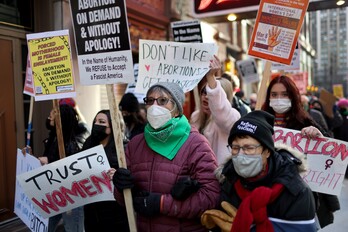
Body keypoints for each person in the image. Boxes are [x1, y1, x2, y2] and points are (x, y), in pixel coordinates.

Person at [113, 82, 220, 231]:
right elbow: (124, 201)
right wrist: (120, 188)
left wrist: (162, 204)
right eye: (150, 100)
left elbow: (211, 197)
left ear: (176, 109)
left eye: (162, 101)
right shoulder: (135, 144)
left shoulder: (196, 144)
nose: (155, 106)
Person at [201, 110, 317, 231]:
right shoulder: (228, 181)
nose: (240, 154)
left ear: (267, 152)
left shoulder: (295, 190)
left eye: (249, 148)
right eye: (235, 147)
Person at [261, 75, 340, 229]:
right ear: (268, 97)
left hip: (300, 199)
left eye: (284, 94)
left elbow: (331, 158)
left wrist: (318, 136)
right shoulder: (259, 123)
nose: (279, 99)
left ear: (293, 96)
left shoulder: (305, 122)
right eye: (274, 95)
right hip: (267, 198)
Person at [38, 104, 85, 232]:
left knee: (73, 228)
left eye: (54, 113)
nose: (50, 115)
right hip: (54, 193)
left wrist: (50, 161)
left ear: (62, 118)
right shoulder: (53, 138)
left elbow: (72, 168)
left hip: (71, 195)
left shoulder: (75, 141)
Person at [82, 110, 129, 232]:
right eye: (95, 121)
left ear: (112, 126)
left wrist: (118, 175)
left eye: (101, 122)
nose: (96, 124)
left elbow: (131, 177)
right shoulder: (88, 144)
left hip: (114, 212)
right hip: (92, 210)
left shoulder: (123, 148)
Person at [190, 56, 241, 164]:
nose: (207, 96)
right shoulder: (195, 116)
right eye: (204, 91)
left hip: (218, 175)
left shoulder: (232, 116)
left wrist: (210, 76)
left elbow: (219, 109)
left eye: (212, 93)